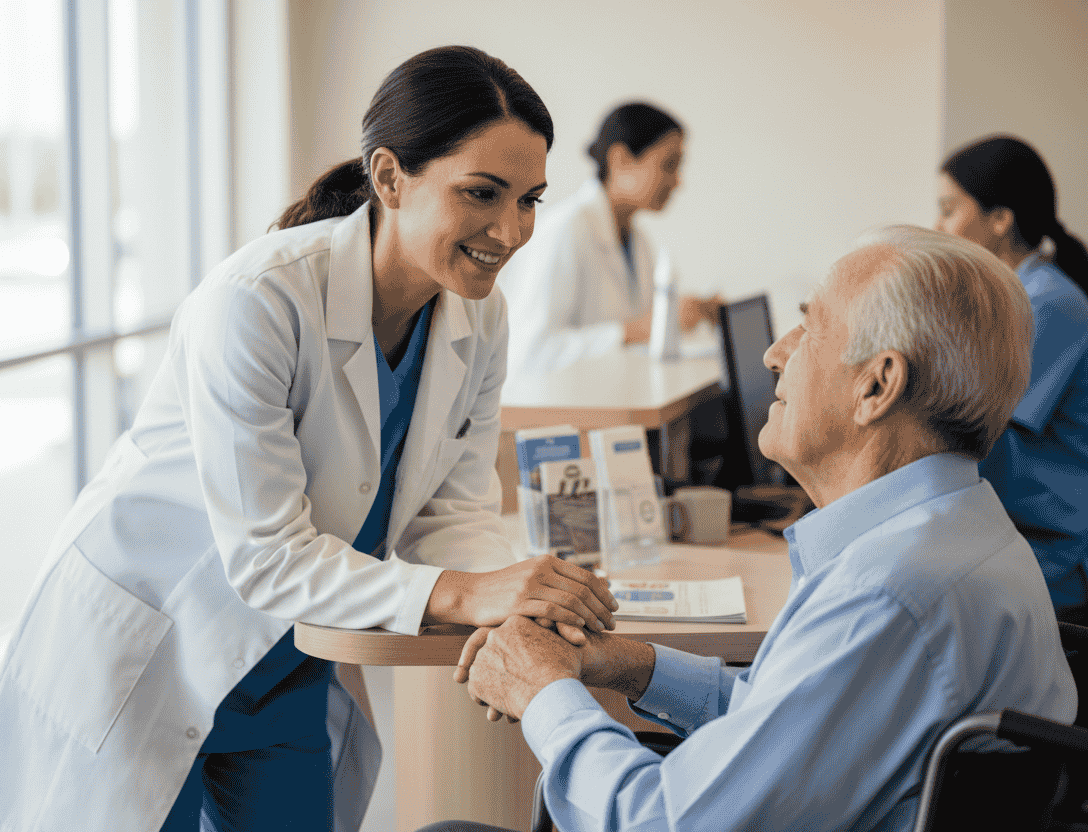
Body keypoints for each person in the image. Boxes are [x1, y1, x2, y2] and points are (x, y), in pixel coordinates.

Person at [0, 45, 620, 832]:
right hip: (148, 653)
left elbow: (455, 508)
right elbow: (268, 554)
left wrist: (514, 599)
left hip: (287, 666)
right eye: (483, 193)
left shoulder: (480, 314)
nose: (511, 231)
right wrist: (468, 594)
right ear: (388, 178)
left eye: (531, 200)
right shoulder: (257, 301)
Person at [437, 226, 1077, 832]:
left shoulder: (890, 593)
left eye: (810, 329)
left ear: (877, 385)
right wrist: (627, 665)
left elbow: (662, 821)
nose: (776, 352)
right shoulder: (960, 530)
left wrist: (544, 693)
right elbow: (791, 730)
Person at [936, 135, 1088, 621]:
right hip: (1020, 542)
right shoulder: (1017, 297)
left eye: (948, 209)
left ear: (1000, 219)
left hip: (1052, 560)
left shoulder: (1046, 306)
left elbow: (977, 434)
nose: (937, 227)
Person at [497, 102, 723, 379]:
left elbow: (646, 330)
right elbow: (530, 352)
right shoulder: (566, 229)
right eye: (668, 165)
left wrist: (688, 314)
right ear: (620, 160)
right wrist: (636, 331)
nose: (678, 182)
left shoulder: (638, 241)